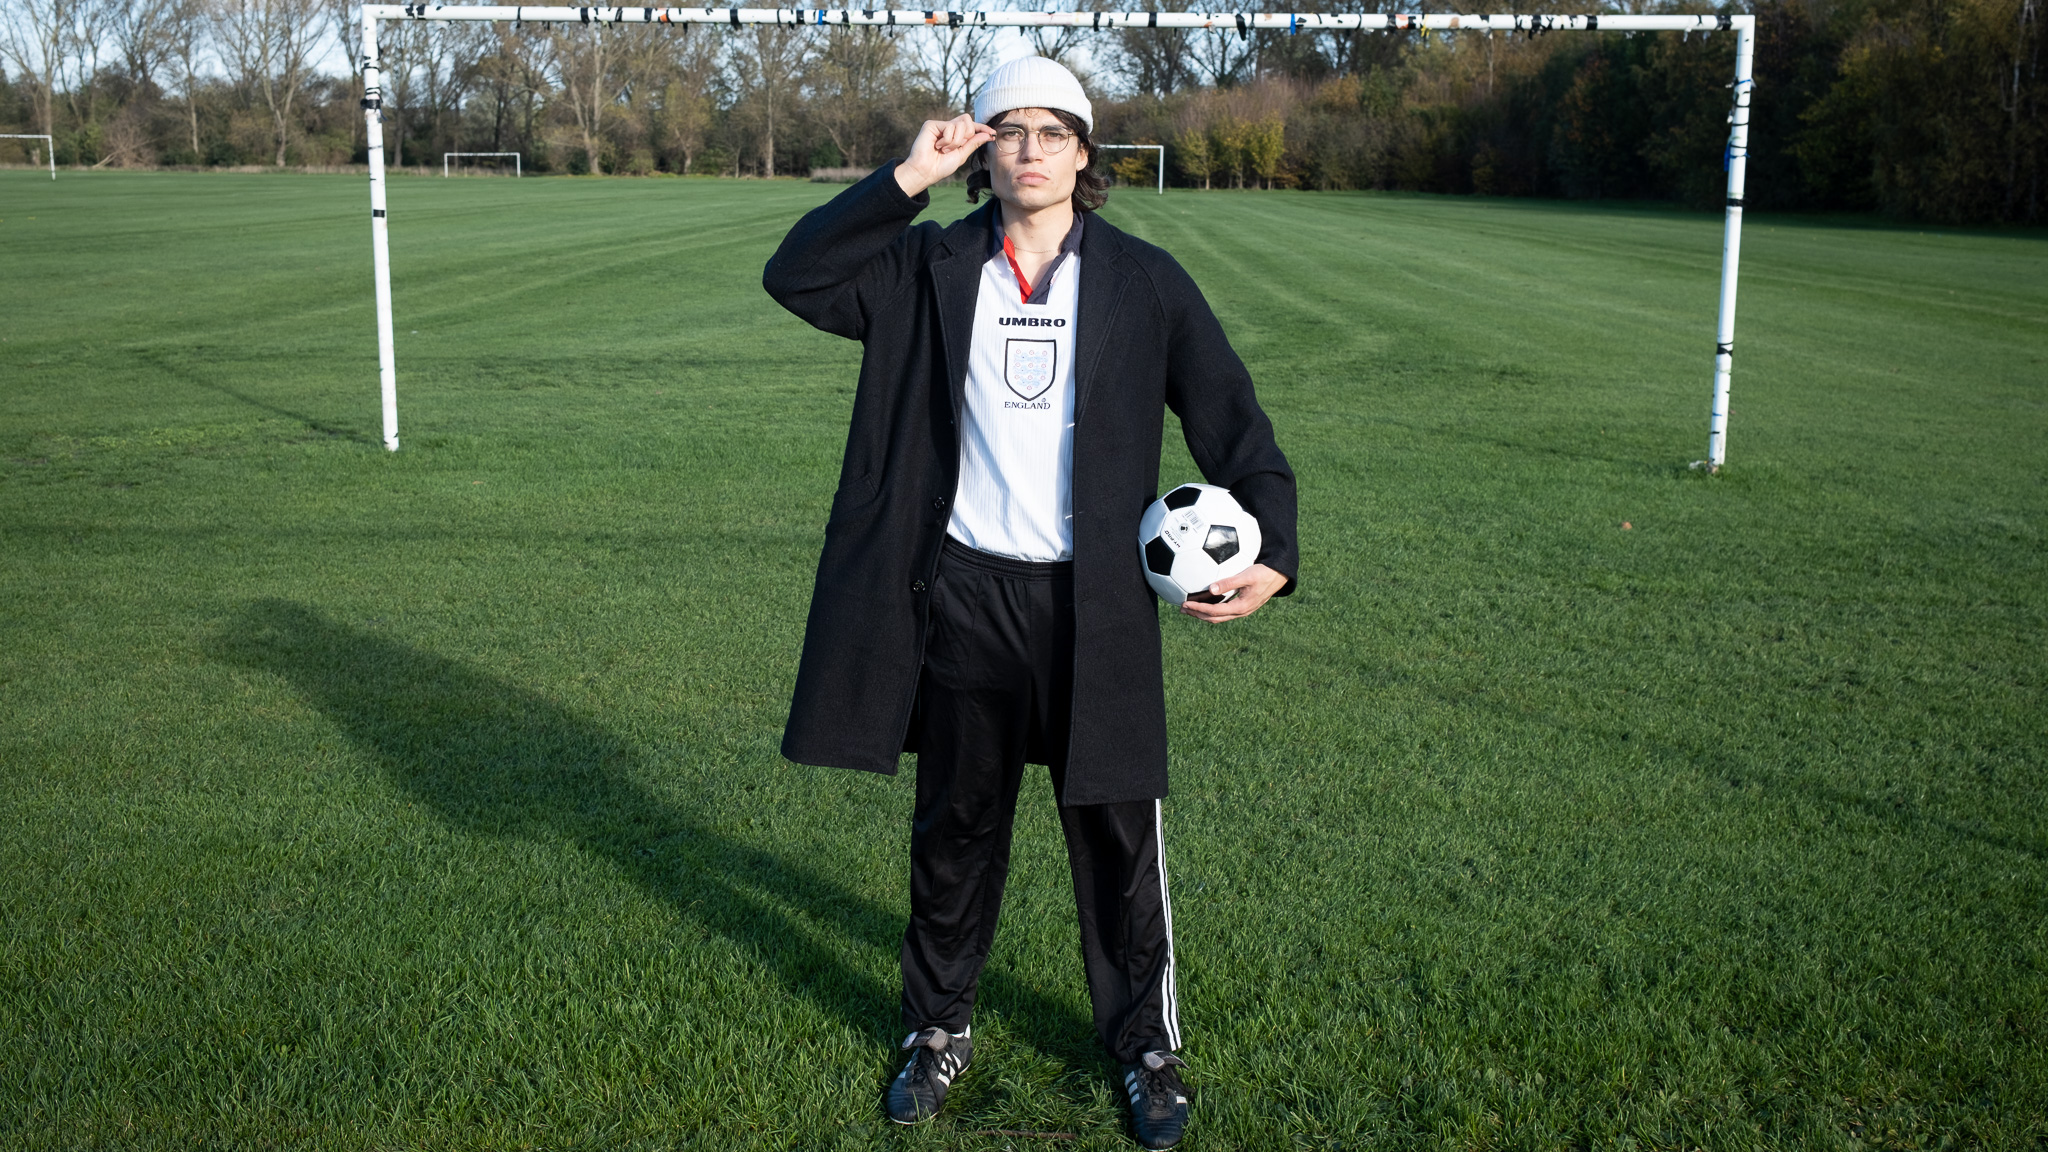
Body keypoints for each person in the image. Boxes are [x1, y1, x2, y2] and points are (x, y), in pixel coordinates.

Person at [761, 55, 1297, 1151]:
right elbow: (800, 276)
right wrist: (901, 179)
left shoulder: (1144, 282)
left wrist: (1274, 549)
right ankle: (934, 1030)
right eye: (1009, 129)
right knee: (955, 830)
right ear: (982, 149)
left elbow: (1231, 420)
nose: (1030, 148)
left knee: (1113, 835)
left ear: (1084, 154)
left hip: (1094, 608)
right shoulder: (929, 266)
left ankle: (1146, 1049)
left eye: (1054, 131)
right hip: (963, 595)